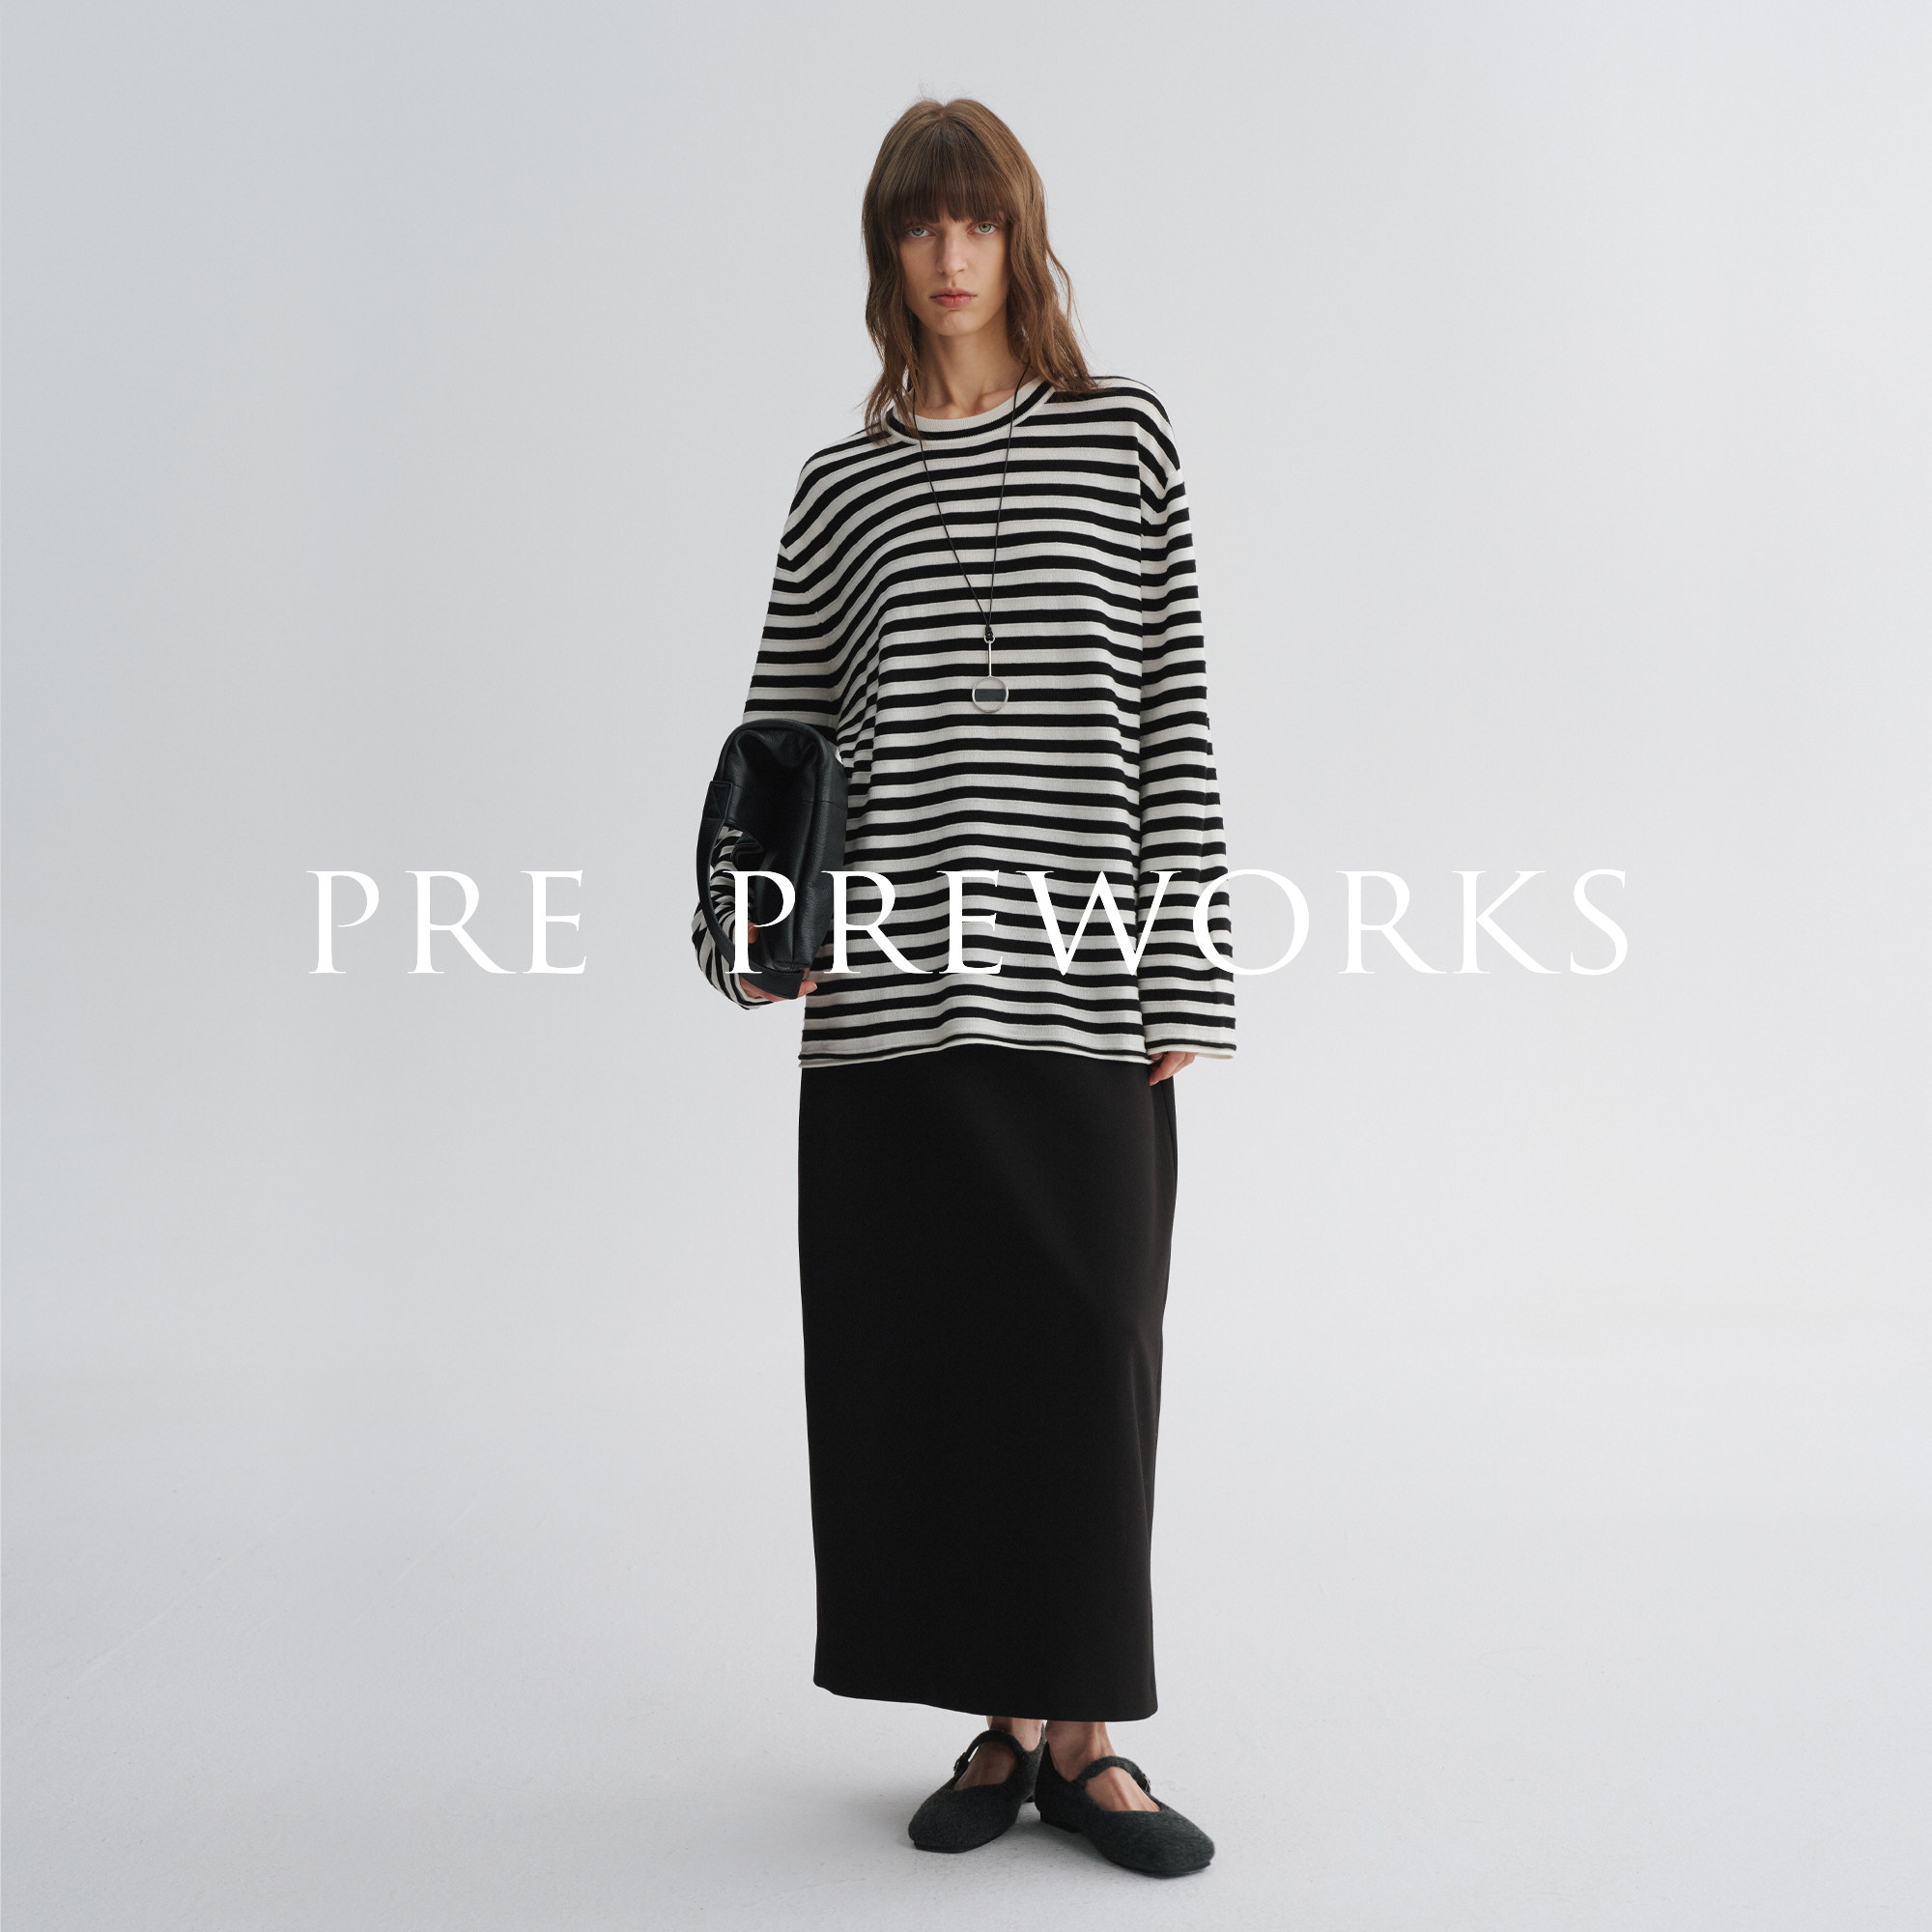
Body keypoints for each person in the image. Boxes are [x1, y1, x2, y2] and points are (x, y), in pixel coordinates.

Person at [691, 97, 1236, 1877]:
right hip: (886, 1012)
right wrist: (759, 929)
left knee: (1088, 1360)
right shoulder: (839, 486)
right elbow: (781, 730)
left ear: (1020, 239)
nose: (948, 255)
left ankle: (1089, 1742)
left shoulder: (1121, 437)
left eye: (976, 222)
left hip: (1080, 998)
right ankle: (1002, 1726)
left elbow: (1172, 716)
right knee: (929, 1370)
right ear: (885, 252)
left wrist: (1184, 973)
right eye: (919, 225)